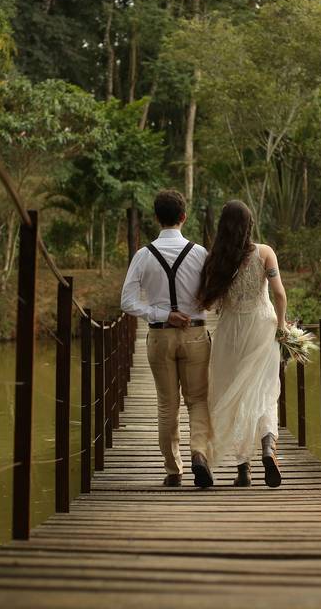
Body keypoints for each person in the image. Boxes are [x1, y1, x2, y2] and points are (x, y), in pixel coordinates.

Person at [120, 190, 214, 488]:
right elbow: (212, 299)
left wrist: (160, 313)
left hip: (160, 338)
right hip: (196, 334)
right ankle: (199, 452)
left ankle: (174, 470)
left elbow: (127, 301)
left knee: (166, 404)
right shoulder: (200, 254)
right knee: (198, 400)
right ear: (184, 217)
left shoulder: (143, 255)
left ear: (156, 218)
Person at [198, 200, 287, 488]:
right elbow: (279, 294)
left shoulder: (217, 260)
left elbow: (209, 304)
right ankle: (268, 447)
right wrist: (283, 326)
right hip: (262, 326)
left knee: (234, 396)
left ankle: (243, 470)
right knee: (264, 391)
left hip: (230, 334)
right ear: (249, 225)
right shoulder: (265, 253)